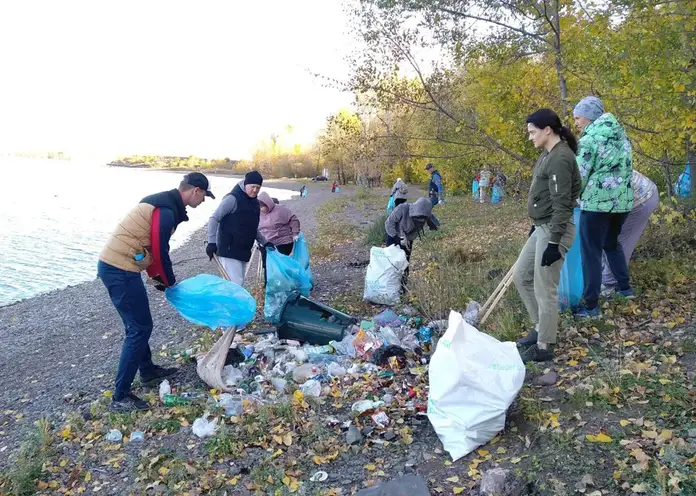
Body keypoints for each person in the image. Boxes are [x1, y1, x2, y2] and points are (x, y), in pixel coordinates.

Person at [98, 172, 214, 412]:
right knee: (139, 328)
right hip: (119, 269)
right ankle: (120, 397)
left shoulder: (164, 204)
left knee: (139, 325)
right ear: (195, 191)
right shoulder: (166, 209)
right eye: (204, 196)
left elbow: (151, 246)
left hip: (119, 266)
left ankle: (148, 371)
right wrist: (169, 281)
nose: (203, 201)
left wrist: (158, 278)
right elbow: (160, 251)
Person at [514, 109, 581, 363]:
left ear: (547, 130)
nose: (530, 137)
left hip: (555, 229)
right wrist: (537, 224)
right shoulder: (548, 154)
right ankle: (539, 327)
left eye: (532, 132)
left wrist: (554, 242)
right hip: (542, 226)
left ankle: (545, 345)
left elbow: (562, 204)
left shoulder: (560, 158)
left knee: (545, 288)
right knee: (522, 276)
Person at [573, 96, 634, 318]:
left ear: (588, 116)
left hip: (597, 205)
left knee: (591, 253)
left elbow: (579, 175)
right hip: (623, 203)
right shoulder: (622, 137)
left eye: (577, 117)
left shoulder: (589, 140)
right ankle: (625, 289)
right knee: (611, 243)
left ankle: (590, 306)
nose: (576, 123)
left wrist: (570, 197)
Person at [206, 171, 269, 286]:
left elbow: (252, 227)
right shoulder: (232, 199)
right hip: (229, 249)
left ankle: (228, 304)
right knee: (235, 286)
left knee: (237, 284)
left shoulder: (254, 202)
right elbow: (214, 219)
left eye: (258, 188)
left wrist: (265, 242)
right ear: (245, 184)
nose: (255, 190)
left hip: (244, 250)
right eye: (252, 186)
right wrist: (211, 243)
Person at [601, 170, 658, 294]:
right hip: (619, 198)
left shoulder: (576, 173)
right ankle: (606, 281)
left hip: (640, 198)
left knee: (616, 242)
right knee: (603, 240)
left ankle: (611, 287)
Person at [385, 197, 439, 290]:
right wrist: (397, 237)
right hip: (393, 235)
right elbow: (389, 223)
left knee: (405, 262)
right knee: (391, 261)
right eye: (418, 218)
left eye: (422, 218)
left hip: (409, 239)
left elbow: (435, 224)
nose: (420, 220)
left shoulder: (425, 214)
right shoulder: (402, 208)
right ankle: (389, 286)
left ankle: (403, 287)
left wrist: (433, 227)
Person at [257, 191, 301, 284]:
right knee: (267, 264)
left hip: (283, 241)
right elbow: (255, 228)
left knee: (280, 263)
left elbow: (293, 219)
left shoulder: (281, 210)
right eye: (260, 207)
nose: (262, 209)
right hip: (266, 242)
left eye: (263, 206)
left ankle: (285, 282)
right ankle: (268, 284)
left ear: (268, 204)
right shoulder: (257, 213)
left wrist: (295, 233)